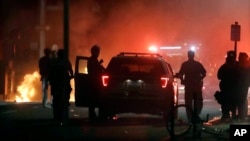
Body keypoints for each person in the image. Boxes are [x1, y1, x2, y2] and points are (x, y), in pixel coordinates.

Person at [178, 50, 206, 123]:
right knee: (198, 101)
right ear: (193, 55)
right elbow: (204, 73)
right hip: (196, 86)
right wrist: (200, 78)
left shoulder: (185, 64)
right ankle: (196, 115)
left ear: (188, 56)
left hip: (189, 86)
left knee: (188, 102)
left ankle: (190, 117)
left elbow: (181, 74)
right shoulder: (198, 64)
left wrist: (182, 80)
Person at [49, 49, 74, 125]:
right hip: (63, 83)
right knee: (65, 99)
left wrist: (51, 81)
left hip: (56, 84)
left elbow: (50, 72)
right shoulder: (66, 61)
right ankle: (64, 114)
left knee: (56, 100)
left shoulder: (54, 61)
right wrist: (72, 76)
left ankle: (56, 115)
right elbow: (71, 70)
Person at [217, 50, 238, 121]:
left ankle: (231, 115)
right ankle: (227, 115)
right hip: (227, 87)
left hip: (233, 87)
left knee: (233, 102)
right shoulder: (225, 66)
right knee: (227, 102)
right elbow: (219, 76)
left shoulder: (236, 65)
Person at [87, 45, 105, 121]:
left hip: (94, 82)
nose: (98, 53)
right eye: (97, 52)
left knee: (94, 99)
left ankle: (93, 114)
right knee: (93, 99)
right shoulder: (92, 60)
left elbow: (98, 68)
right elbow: (95, 69)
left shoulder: (94, 60)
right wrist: (100, 64)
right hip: (93, 82)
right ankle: (92, 114)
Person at [235, 52, 249, 120]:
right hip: (241, 84)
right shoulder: (239, 65)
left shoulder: (243, 65)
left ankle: (242, 114)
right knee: (241, 99)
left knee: (242, 99)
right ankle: (242, 114)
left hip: (243, 84)